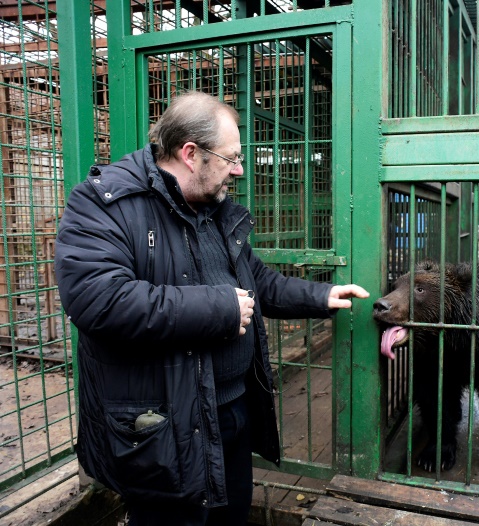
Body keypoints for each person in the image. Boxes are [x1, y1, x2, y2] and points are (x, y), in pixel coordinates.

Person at [54, 91, 369, 525]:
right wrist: (219, 309)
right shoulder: (103, 204)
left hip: (231, 412)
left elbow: (256, 282)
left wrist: (319, 297)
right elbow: (98, 299)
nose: (238, 170)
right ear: (190, 153)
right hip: (164, 424)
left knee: (231, 516)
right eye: (232, 157)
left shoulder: (214, 209)